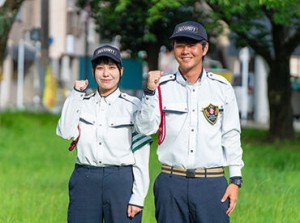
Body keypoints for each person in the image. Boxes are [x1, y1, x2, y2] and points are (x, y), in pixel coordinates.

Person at [134, 21, 244, 223]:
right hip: (171, 183)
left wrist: (235, 180)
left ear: (205, 48)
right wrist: (149, 93)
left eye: (192, 45)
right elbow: (145, 128)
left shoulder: (221, 88)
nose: (186, 51)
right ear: (174, 49)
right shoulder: (162, 87)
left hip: (212, 184)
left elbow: (231, 134)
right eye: (180, 45)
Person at [56, 44, 152, 223]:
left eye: (111, 68)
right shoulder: (81, 102)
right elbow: (65, 131)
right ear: (93, 72)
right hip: (85, 178)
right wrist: (76, 94)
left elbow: (141, 154)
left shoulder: (133, 106)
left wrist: (138, 197)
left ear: (121, 71)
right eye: (100, 68)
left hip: (121, 180)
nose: (106, 74)